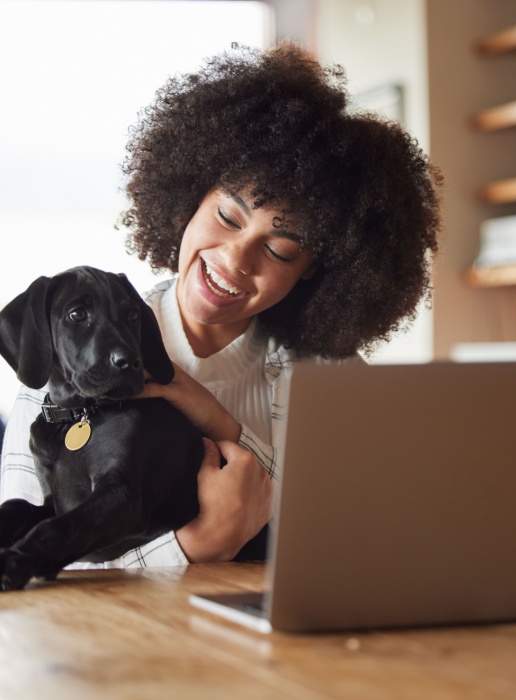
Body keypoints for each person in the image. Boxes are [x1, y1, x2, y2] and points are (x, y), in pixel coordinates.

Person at [0, 43, 442, 567]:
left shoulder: (333, 378)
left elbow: (372, 530)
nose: (235, 258)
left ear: (315, 270)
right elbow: (30, 562)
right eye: (229, 217)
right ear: (191, 196)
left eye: (279, 248)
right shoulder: (66, 359)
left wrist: (218, 420)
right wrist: (196, 547)